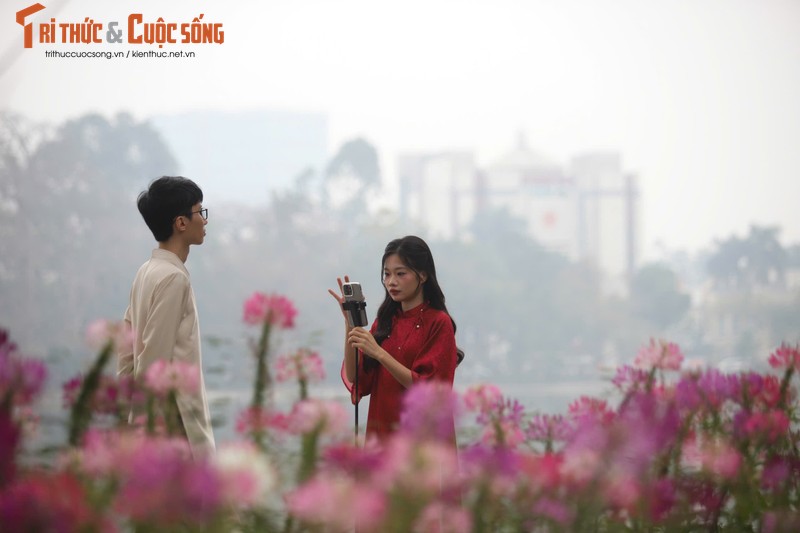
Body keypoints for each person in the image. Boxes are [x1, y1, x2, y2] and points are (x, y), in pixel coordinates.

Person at [118, 176, 216, 457]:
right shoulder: (174, 278)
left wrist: (126, 413)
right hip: (175, 428)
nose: (205, 220)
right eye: (200, 212)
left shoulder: (146, 271)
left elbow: (126, 350)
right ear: (181, 222)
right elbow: (154, 360)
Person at [329, 235, 462, 441]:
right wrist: (350, 323)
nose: (392, 282)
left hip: (421, 440)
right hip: (383, 432)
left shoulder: (438, 322)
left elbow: (430, 391)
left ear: (423, 275)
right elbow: (356, 377)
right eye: (387, 274)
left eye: (401, 274)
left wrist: (380, 354)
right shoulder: (384, 322)